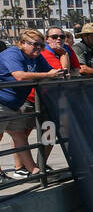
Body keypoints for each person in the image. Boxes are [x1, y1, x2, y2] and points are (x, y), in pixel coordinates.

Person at [0, 30, 68, 179]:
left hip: (14, 105)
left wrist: (60, 72)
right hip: (3, 103)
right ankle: (17, 170)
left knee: (20, 136)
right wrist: (49, 75)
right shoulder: (12, 53)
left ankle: (35, 171)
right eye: (35, 44)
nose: (38, 48)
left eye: (41, 45)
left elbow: (50, 71)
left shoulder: (37, 57)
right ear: (22, 43)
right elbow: (19, 76)